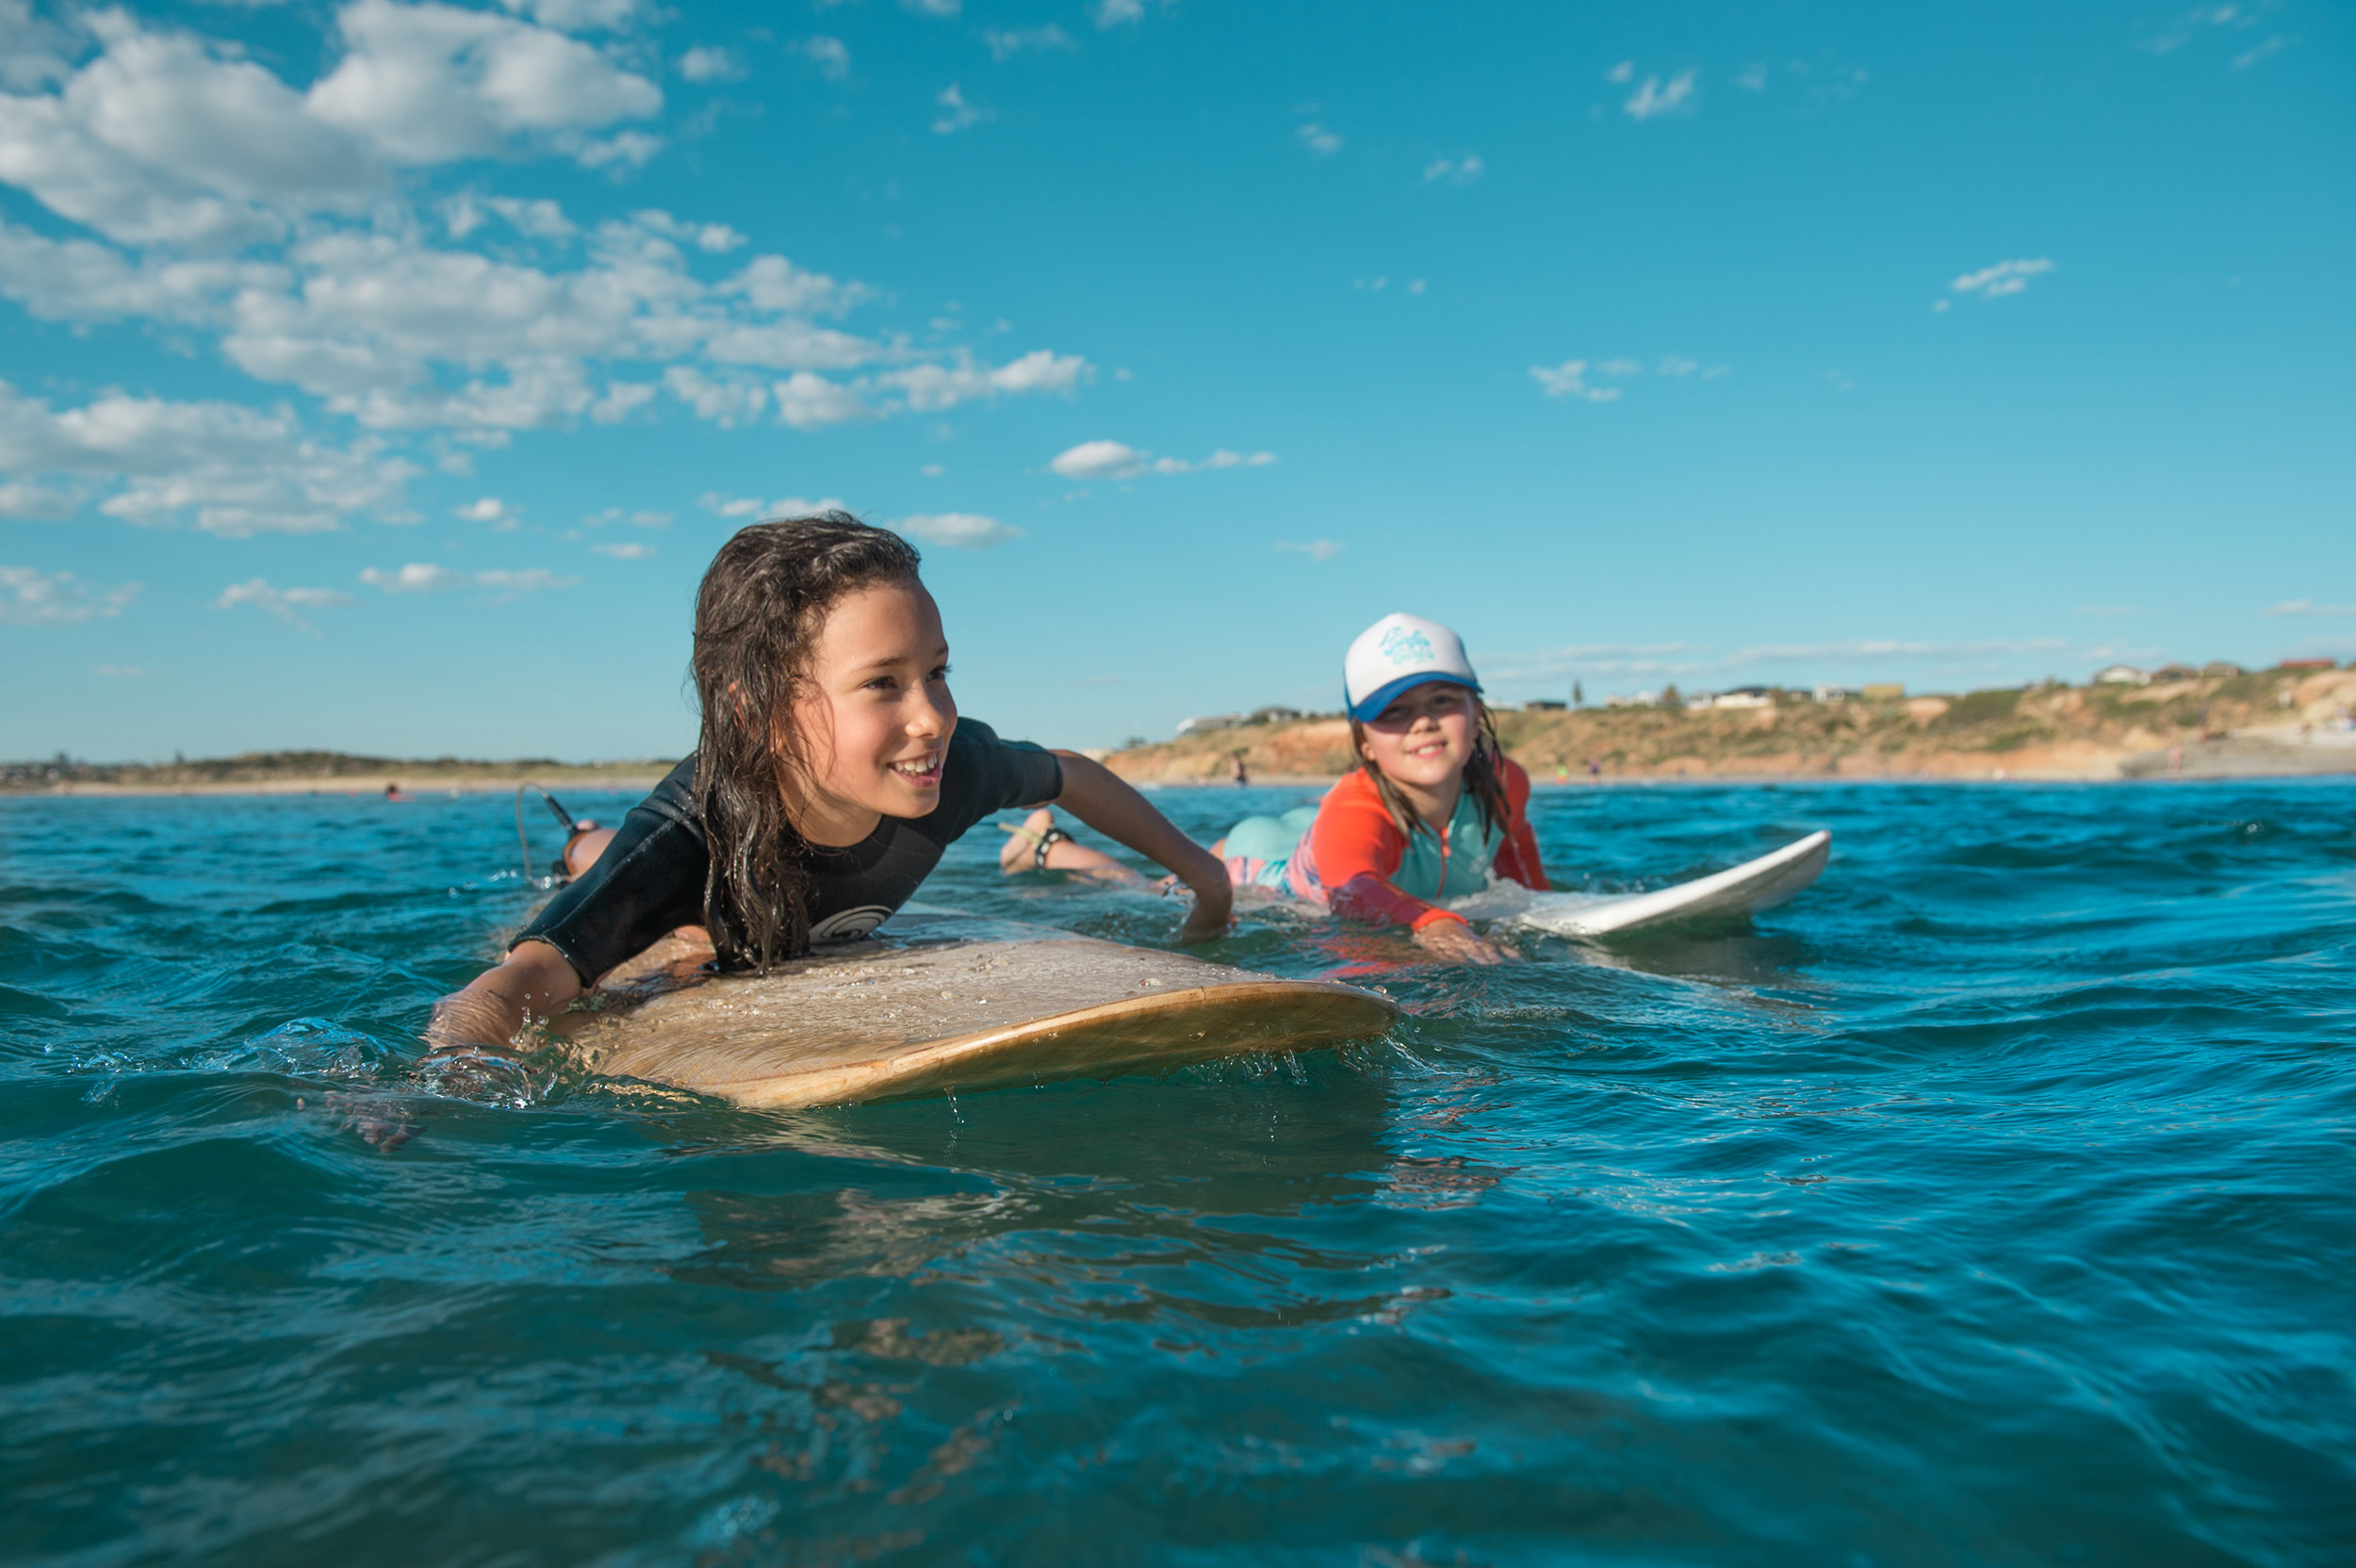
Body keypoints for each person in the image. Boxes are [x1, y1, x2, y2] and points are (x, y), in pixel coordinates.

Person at [427, 514, 1233, 1055]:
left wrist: (1208, 880)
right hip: (697, 880)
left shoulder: (955, 772)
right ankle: (581, 850)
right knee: (654, 906)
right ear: (758, 710)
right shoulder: (683, 838)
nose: (933, 717)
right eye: (884, 682)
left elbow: (1072, 775)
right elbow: (512, 987)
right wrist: (451, 1077)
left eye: (939, 672)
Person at [1213, 612, 1547, 966]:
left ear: (1476, 712)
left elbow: (1515, 846)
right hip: (1266, 858)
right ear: (1365, 742)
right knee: (1200, 878)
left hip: (1334, 832)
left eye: (1442, 700)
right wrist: (1435, 922)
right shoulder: (1355, 808)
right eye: (1394, 711)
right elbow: (1350, 888)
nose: (1422, 722)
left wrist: (1539, 904)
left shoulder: (1506, 783)